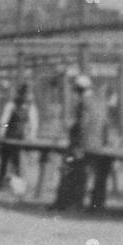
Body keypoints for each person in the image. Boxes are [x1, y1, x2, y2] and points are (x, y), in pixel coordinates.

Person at [50, 74, 107, 211]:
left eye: (76, 90)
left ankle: (66, 203)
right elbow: (105, 125)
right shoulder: (100, 101)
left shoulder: (84, 103)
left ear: (79, 89)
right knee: (91, 173)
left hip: (84, 145)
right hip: (98, 145)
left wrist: (78, 145)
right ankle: (92, 204)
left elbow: (83, 125)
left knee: (69, 168)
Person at [0, 83, 38, 190]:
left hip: (20, 137)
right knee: (5, 161)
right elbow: (4, 121)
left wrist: (31, 135)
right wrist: (3, 130)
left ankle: (17, 185)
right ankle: (1, 184)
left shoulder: (30, 107)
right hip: (9, 136)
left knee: (18, 162)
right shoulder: (11, 105)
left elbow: (33, 124)